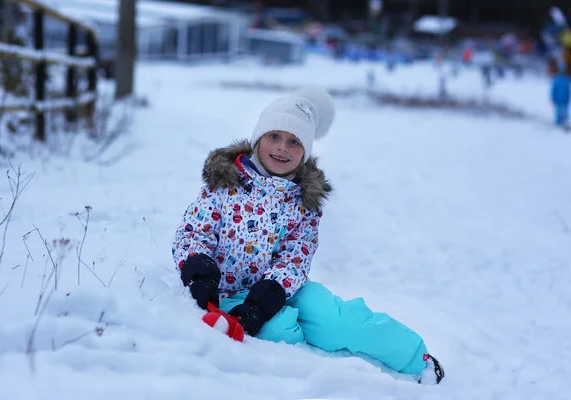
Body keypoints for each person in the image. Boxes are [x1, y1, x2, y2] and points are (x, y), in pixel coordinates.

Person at [172, 87, 445, 385]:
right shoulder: (224, 184)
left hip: (282, 289)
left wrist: (267, 296)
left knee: (340, 320)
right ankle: (300, 344)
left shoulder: (303, 201)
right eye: (274, 136)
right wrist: (200, 272)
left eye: (294, 142)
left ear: (305, 152)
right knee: (279, 331)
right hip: (225, 292)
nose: (282, 148)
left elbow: (296, 256)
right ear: (257, 139)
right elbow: (193, 233)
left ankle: (413, 357)